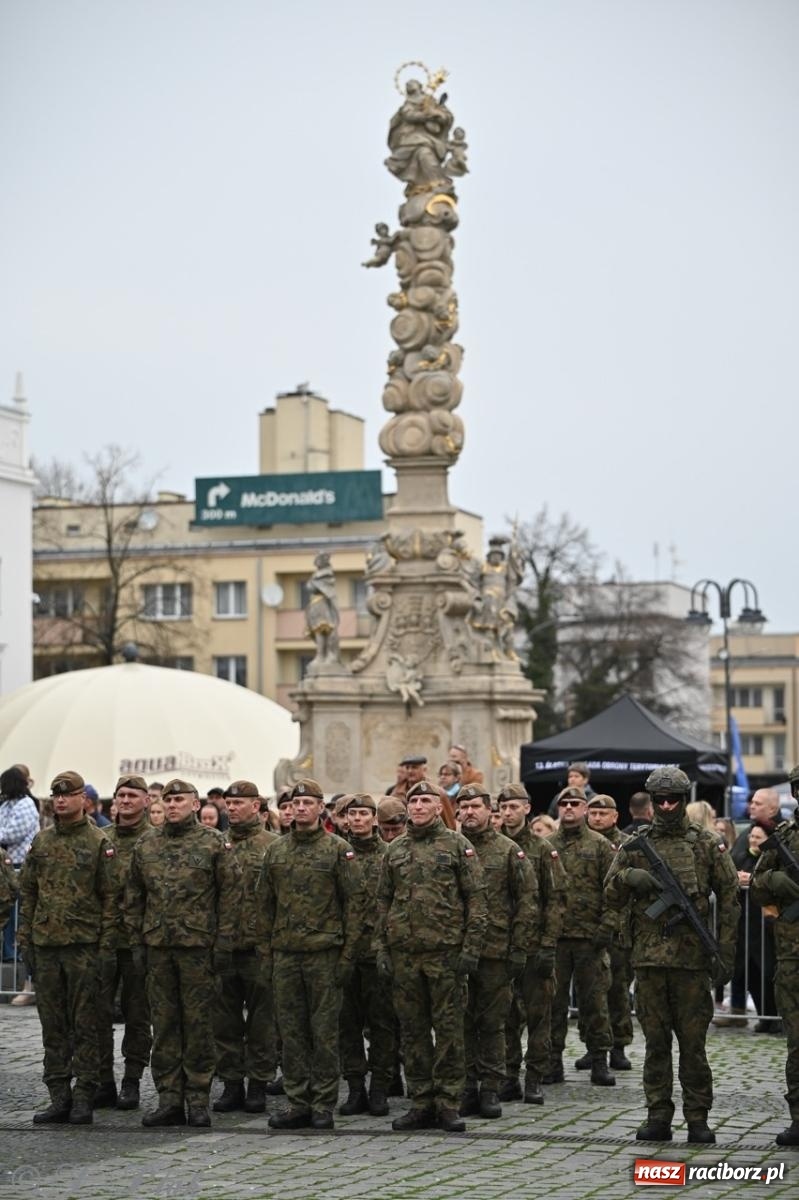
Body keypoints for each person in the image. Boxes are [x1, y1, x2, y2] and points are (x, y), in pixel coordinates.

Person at [605, 766, 739, 1144]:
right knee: (656, 1045)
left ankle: (698, 1118)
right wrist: (630, 877)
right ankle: (658, 1115)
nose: (666, 806)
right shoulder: (635, 844)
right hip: (648, 961)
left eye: (673, 800)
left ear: (682, 801)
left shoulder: (705, 843)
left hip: (692, 961)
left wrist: (725, 952)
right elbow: (609, 892)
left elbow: (729, 897)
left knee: (694, 1047)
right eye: (659, 800)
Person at [125, 778, 242, 1128]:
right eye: (168, 799)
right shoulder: (146, 844)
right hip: (158, 947)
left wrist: (223, 944)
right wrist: (137, 942)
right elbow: (134, 898)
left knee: (198, 1025)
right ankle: (169, 1097)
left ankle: (198, 1098)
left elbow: (231, 897)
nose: (172, 805)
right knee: (164, 1025)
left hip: (198, 950)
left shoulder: (214, 844)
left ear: (195, 805)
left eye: (179, 799)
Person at [374, 778, 488, 1133]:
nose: (419, 807)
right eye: (414, 802)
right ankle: (421, 1100)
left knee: (450, 1031)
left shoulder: (458, 845)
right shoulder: (394, 850)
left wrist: (471, 949)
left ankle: (449, 1102)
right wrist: (382, 947)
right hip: (405, 956)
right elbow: (382, 902)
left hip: (446, 955)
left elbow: (476, 901)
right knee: (413, 1032)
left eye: (426, 801)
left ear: (440, 807)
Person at [18, 770, 119, 1126]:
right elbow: (28, 891)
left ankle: (84, 1096)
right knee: (53, 1025)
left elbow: (110, 897)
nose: (60, 800)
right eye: (56, 795)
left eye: (68, 794)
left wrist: (105, 946)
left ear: (83, 800)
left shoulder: (98, 842)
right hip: (47, 946)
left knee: (86, 1024)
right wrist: (25, 936)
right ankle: (59, 1095)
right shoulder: (42, 842)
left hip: (83, 946)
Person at [259, 779, 357, 1131]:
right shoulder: (276, 850)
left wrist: (347, 956)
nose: (300, 808)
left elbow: (353, 906)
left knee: (325, 1032)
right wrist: (267, 953)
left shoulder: (338, 849)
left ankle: (323, 1103)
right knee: (291, 1032)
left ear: (321, 808)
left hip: (324, 954)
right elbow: (264, 904)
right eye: (296, 803)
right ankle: (297, 1101)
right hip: (286, 953)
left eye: (308, 802)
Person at [456, 783, 537, 1119]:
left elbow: (527, 902)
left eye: (476, 806)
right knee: (459, 1023)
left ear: (490, 811)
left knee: (492, 1023)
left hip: (495, 951)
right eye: (463, 806)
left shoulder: (507, 851)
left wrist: (519, 948)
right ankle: (466, 1086)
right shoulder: (451, 847)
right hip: (456, 951)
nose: (469, 812)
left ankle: (491, 1087)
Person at [497, 783, 566, 1105]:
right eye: (503, 807)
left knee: (539, 1015)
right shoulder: (494, 846)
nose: (508, 813)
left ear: (527, 808)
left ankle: (535, 1077)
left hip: (535, 943)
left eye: (514, 807)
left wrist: (549, 944)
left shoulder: (543, 848)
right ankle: (508, 1076)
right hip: (500, 944)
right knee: (505, 1016)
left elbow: (554, 900)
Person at [212, 780, 278, 1115]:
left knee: (262, 1024)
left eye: (240, 803)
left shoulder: (274, 846)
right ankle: (232, 1084)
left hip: (260, 949)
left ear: (257, 806)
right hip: (223, 949)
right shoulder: (215, 844)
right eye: (229, 804)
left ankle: (258, 1084)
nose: (233, 808)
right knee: (224, 1023)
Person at [547, 786, 617, 1087]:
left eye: (575, 804)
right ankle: (552, 1061)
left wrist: (607, 927)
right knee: (554, 1004)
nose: (569, 809)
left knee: (595, 1002)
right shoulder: (546, 845)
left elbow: (613, 891)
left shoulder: (601, 845)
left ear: (585, 809)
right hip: (557, 938)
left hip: (591, 937)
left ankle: (599, 1058)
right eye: (564, 804)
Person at [96, 774, 154, 1112]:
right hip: (104, 941)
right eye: (121, 795)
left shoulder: (156, 841)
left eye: (133, 795)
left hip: (140, 942)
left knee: (137, 1015)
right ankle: (103, 1081)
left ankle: (131, 1081)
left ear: (146, 801)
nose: (126, 800)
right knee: (97, 1015)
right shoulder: (100, 840)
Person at [337, 793, 397, 1118]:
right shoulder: (338, 853)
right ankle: (355, 1086)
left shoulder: (390, 855)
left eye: (363, 814)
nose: (357, 819)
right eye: (352, 814)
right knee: (347, 1025)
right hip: (345, 954)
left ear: (374, 819)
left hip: (377, 955)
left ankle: (380, 1088)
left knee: (382, 1025)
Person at [751, 763, 799, 1145]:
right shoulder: (784, 838)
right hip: (793, 956)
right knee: (797, 1042)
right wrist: (775, 880)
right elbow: (756, 885)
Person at [582, 795, 633, 1072]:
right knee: (591, 993)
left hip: (617, 931)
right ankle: (593, 1045)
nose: (598, 818)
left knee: (617, 989)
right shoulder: (582, 842)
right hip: (588, 927)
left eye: (604, 813)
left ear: (615, 816)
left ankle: (619, 1045)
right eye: (594, 813)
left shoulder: (627, 844)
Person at [0, 765, 40, 1003]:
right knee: (6, 915)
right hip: (5, 867)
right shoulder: (6, 804)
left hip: (19, 864)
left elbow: (11, 833)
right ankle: (7, 953)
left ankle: (14, 954)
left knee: (18, 917)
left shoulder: (25, 805)